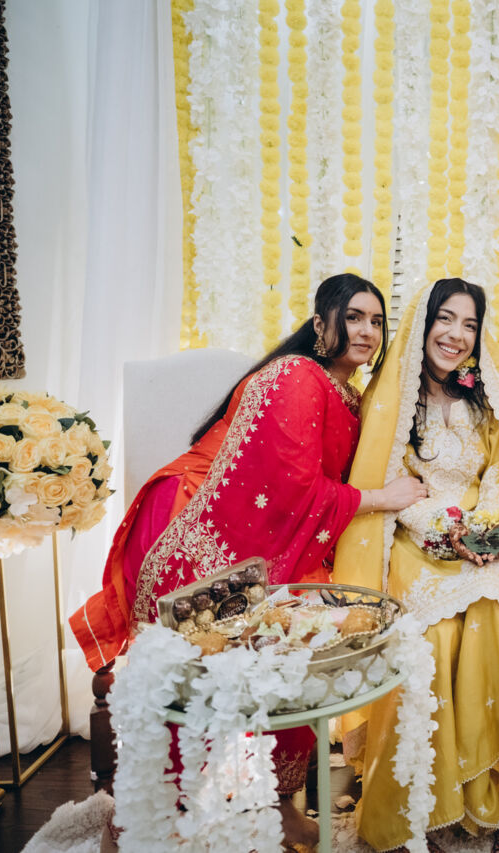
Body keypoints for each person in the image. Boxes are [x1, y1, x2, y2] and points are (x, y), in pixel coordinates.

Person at [69, 273, 426, 848]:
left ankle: (274, 805)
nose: (366, 330)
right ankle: (146, 817)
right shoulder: (297, 376)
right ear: (321, 324)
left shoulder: (346, 392)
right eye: (354, 317)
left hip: (265, 531)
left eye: (376, 321)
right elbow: (288, 487)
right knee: (210, 667)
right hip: (201, 524)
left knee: (303, 636)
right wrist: (383, 498)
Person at [334, 279, 499, 853]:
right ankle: (431, 804)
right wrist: (445, 530)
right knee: (433, 635)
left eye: (469, 325)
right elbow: (387, 486)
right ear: (423, 324)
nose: (457, 335)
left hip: (489, 538)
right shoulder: (392, 400)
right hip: (417, 537)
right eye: (446, 319)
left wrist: (490, 526)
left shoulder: (486, 399)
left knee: (492, 608)